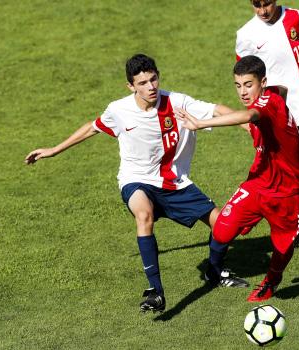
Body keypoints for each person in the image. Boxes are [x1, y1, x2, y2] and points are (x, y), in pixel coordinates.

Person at [24, 54, 249, 313]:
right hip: (136, 180)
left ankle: (214, 271)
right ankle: (155, 292)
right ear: (131, 86)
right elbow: (92, 127)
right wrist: (54, 150)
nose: (150, 87)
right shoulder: (119, 110)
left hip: (175, 183)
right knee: (144, 214)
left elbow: (218, 109)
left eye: (153, 79)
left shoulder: (177, 102)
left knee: (224, 225)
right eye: (142, 83)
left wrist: (250, 125)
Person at [175, 55, 299, 302]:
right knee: (223, 229)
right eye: (238, 85)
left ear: (262, 82)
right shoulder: (272, 93)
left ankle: (271, 281)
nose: (243, 91)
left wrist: (200, 124)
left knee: (281, 248)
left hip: (289, 192)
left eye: (248, 84)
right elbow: (282, 90)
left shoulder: (268, 104)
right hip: (258, 182)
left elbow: (249, 116)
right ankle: (214, 271)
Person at [235, 0, 299, 253]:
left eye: (266, 4)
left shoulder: (298, 18)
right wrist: (252, 114)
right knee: (295, 174)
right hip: (275, 115)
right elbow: (244, 78)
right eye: (256, 5)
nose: (262, 11)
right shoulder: (246, 34)